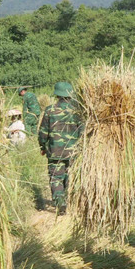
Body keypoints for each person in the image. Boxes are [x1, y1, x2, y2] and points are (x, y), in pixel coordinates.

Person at [38, 81, 82, 215]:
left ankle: (60, 203)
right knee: (70, 176)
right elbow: (82, 132)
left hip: (55, 152)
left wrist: (42, 146)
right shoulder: (78, 111)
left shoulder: (50, 110)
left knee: (56, 177)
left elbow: (43, 132)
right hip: (74, 152)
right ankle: (70, 201)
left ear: (57, 95)